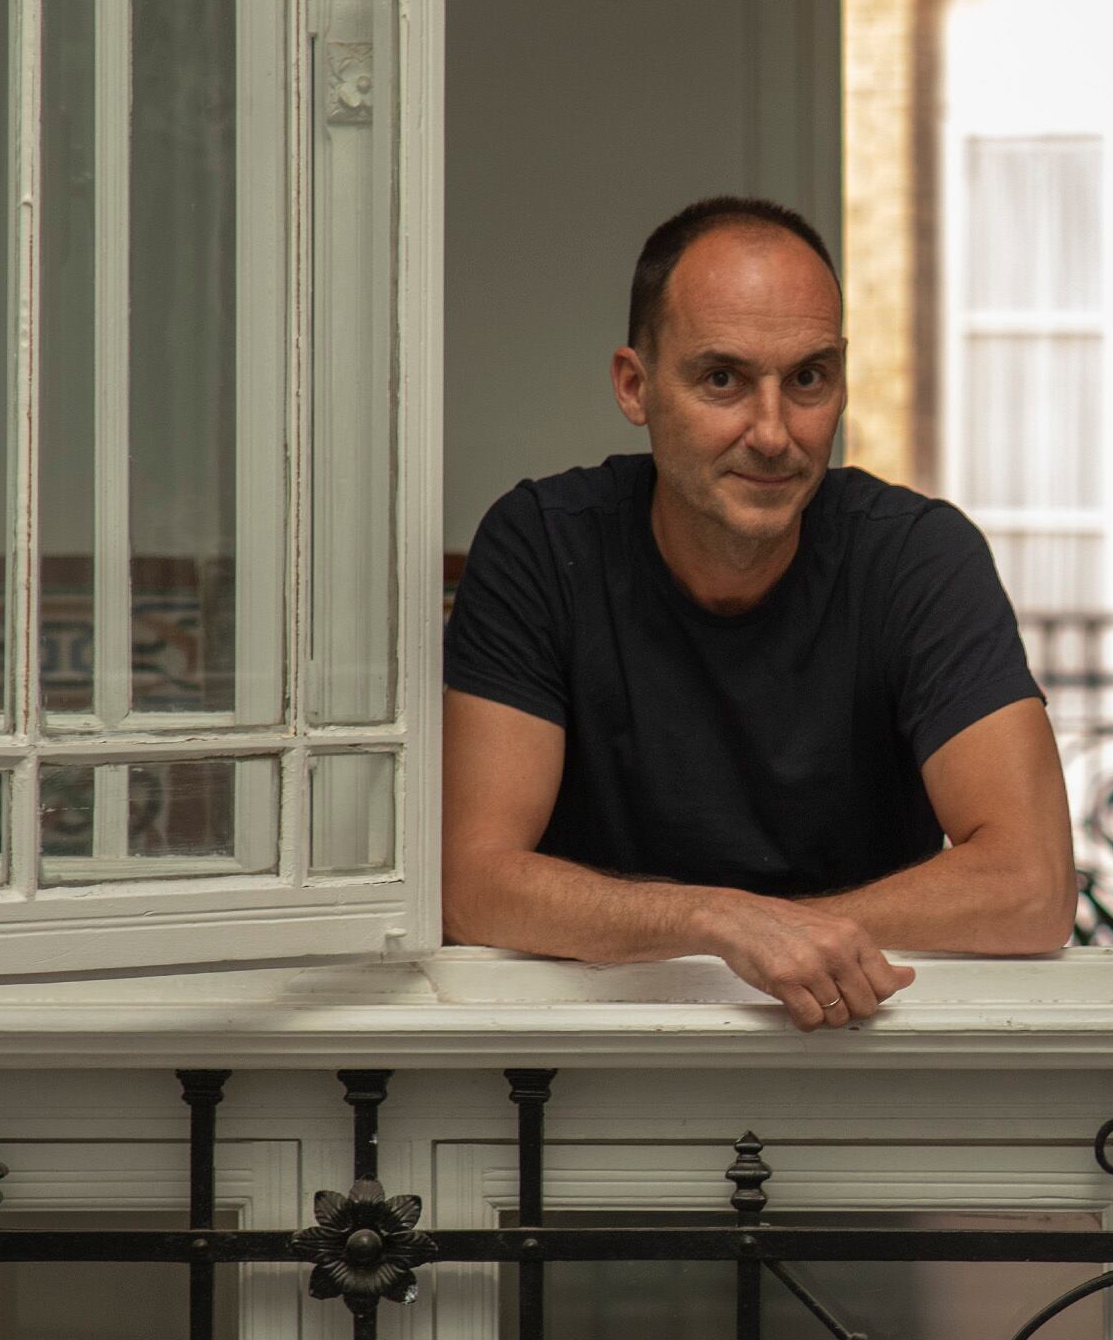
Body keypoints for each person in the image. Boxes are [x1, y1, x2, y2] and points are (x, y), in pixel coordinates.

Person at [442, 196, 1077, 1026]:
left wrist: (779, 933)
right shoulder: (542, 546)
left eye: (808, 378)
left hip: (861, 1046)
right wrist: (720, 922)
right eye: (723, 380)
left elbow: (1033, 888)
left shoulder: (918, 556)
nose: (774, 433)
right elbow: (472, 883)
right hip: (590, 1047)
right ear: (635, 387)